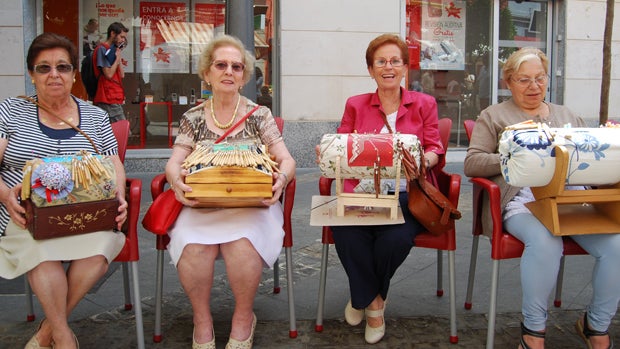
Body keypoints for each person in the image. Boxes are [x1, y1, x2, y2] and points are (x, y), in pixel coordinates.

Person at [464, 47, 620, 349]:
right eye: (524, 80)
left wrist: (609, 149)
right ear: (509, 81)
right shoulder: (494, 115)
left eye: (540, 78)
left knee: (617, 246)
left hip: (571, 200)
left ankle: (595, 324)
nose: (534, 87)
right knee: (547, 242)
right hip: (522, 202)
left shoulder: (567, 115)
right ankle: (533, 331)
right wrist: (513, 157)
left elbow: (588, 159)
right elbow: (472, 162)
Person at [165, 34, 295, 349]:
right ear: (207, 72)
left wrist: (282, 180)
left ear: (244, 76)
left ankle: (243, 317)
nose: (228, 72)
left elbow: (286, 159)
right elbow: (174, 163)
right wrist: (176, 183)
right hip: (203, 204)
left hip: (251, 205)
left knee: (242, 247)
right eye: (221, 65)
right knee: (195, 249)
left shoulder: (259, 115)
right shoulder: (193, 118)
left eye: (236, 67)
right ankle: (202, 319)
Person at [0, 32, 127, 349]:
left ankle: (48, 332)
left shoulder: (96, 116)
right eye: (44, 68)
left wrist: (120, 196)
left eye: (62, 67)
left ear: (73, 74)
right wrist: (4, 195)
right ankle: (63, 336)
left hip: (87, 214)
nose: (53, 74)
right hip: (24, 214)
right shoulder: (11, 111)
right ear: (32, 75)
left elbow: (114, 165)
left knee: (99, 252)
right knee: (42, 256)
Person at [317, 33, 445, 344]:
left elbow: (436, 148)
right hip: (361, 191)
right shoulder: (356, 104)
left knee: (396, 239)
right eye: (381, 62)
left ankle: (362, 294)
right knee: (347, 231)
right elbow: (342, 144)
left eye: (395, 61)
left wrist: (423, 160)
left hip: (408, 194)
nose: (388, 67)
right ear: (371, 69)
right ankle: (374, 304)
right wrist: (329, 152)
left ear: (405, 68)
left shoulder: (423, 104)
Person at [94, 22, 129, 124]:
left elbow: (122, 74)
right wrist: (117, 59)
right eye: (121, 37)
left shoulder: (113, 51)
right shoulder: (102, 49)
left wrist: (118, 56)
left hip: (114, 95)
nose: (123, 40)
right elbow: (108, 74)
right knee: (123, 130)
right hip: (107, 96)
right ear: (113, 34)